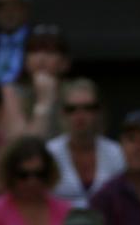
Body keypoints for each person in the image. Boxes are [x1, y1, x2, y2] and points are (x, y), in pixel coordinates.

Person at [45, 78, 122, 206]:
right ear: (62, 113)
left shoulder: (116, 153)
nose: (80, 115)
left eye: (88, 108)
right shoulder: (49, 153)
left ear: (99, 112)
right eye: (71, 109)